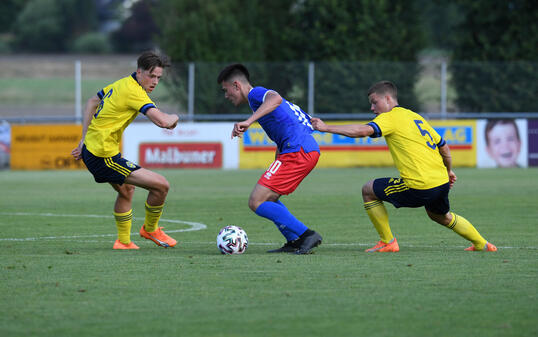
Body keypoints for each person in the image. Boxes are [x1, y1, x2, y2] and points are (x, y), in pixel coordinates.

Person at [311, 80, 497, 252]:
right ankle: (482, 243)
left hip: (420, 185)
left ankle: (388, 242)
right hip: (440, 182)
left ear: (388, 98)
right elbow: (444, 147)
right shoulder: (415, 116)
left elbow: (363, 131)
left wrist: (326, 128)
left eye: (375, 102)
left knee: (368, 190)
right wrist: (448, 171)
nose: (372, 107)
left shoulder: (390, 117)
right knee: (441, 215)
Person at [71, 51, 180, 250]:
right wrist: (175, 117)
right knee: (161, 186)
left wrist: (83, 139)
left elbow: (92, 102)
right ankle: (151, 229)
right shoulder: (134, 92)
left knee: (127, 190)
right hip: (103, 156)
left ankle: (123, 242)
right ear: (139, 72)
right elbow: (163, 121)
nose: (154, 81)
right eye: (151, 75)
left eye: (158, 78)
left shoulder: (122, 83)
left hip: (93, 151)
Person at [217, 63, 322, 254]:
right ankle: (294, 240)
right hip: (300, 150)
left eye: (226, 90)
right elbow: (299, 122)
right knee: (269, 198)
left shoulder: (256, 94)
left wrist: (248, 122)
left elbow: (276, 98)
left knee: (256, 201)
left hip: (298, 151)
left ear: (236, 85)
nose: (226, 96)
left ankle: (307, 235)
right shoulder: (258, 102)